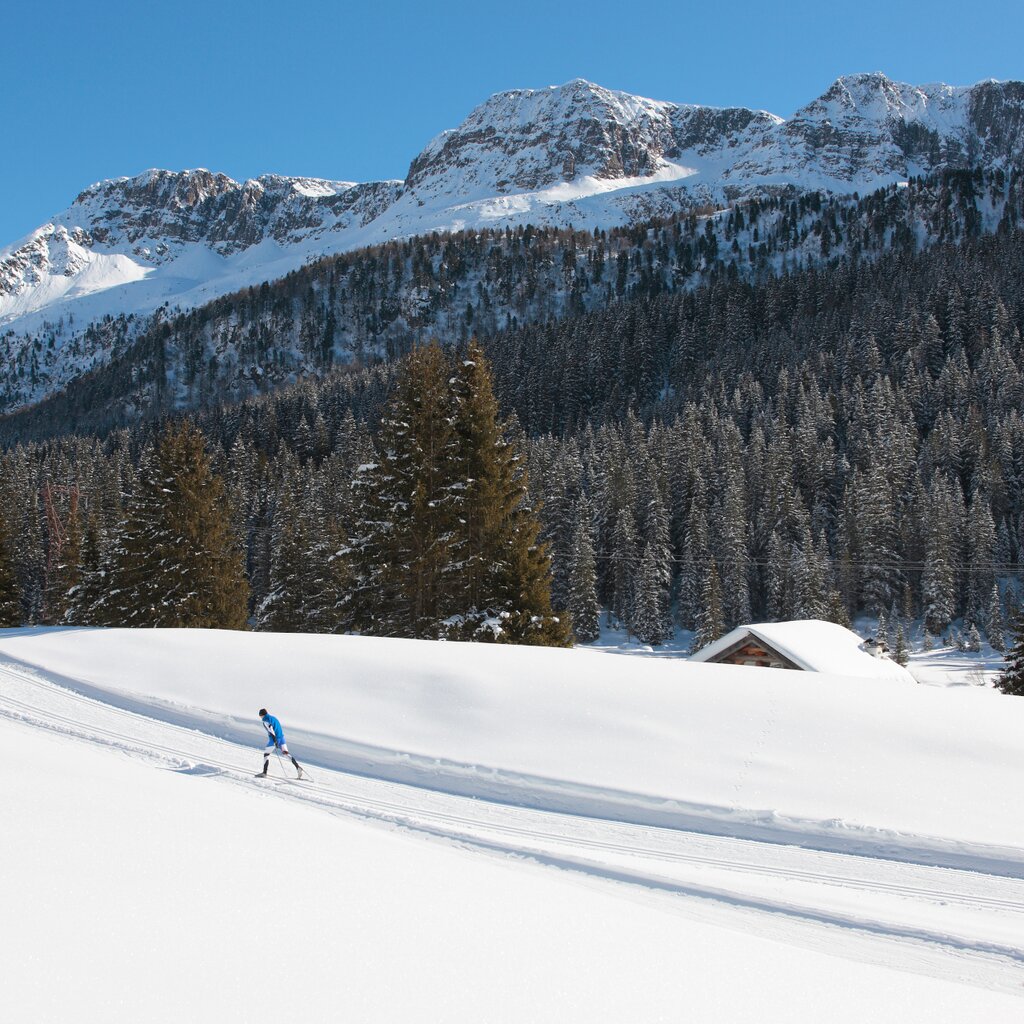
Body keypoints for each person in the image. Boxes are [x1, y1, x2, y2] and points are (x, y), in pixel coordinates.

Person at [257, 708, 305, 779]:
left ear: (261, 715)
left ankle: (264, 773)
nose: (260, 717)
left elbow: (271, 730)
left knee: (266, 755)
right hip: (282, 738)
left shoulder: (265, 720)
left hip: (274, 739)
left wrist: (275, 741)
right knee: (286, 754)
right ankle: (298, 767)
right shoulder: (273, 718)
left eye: (260, 716)